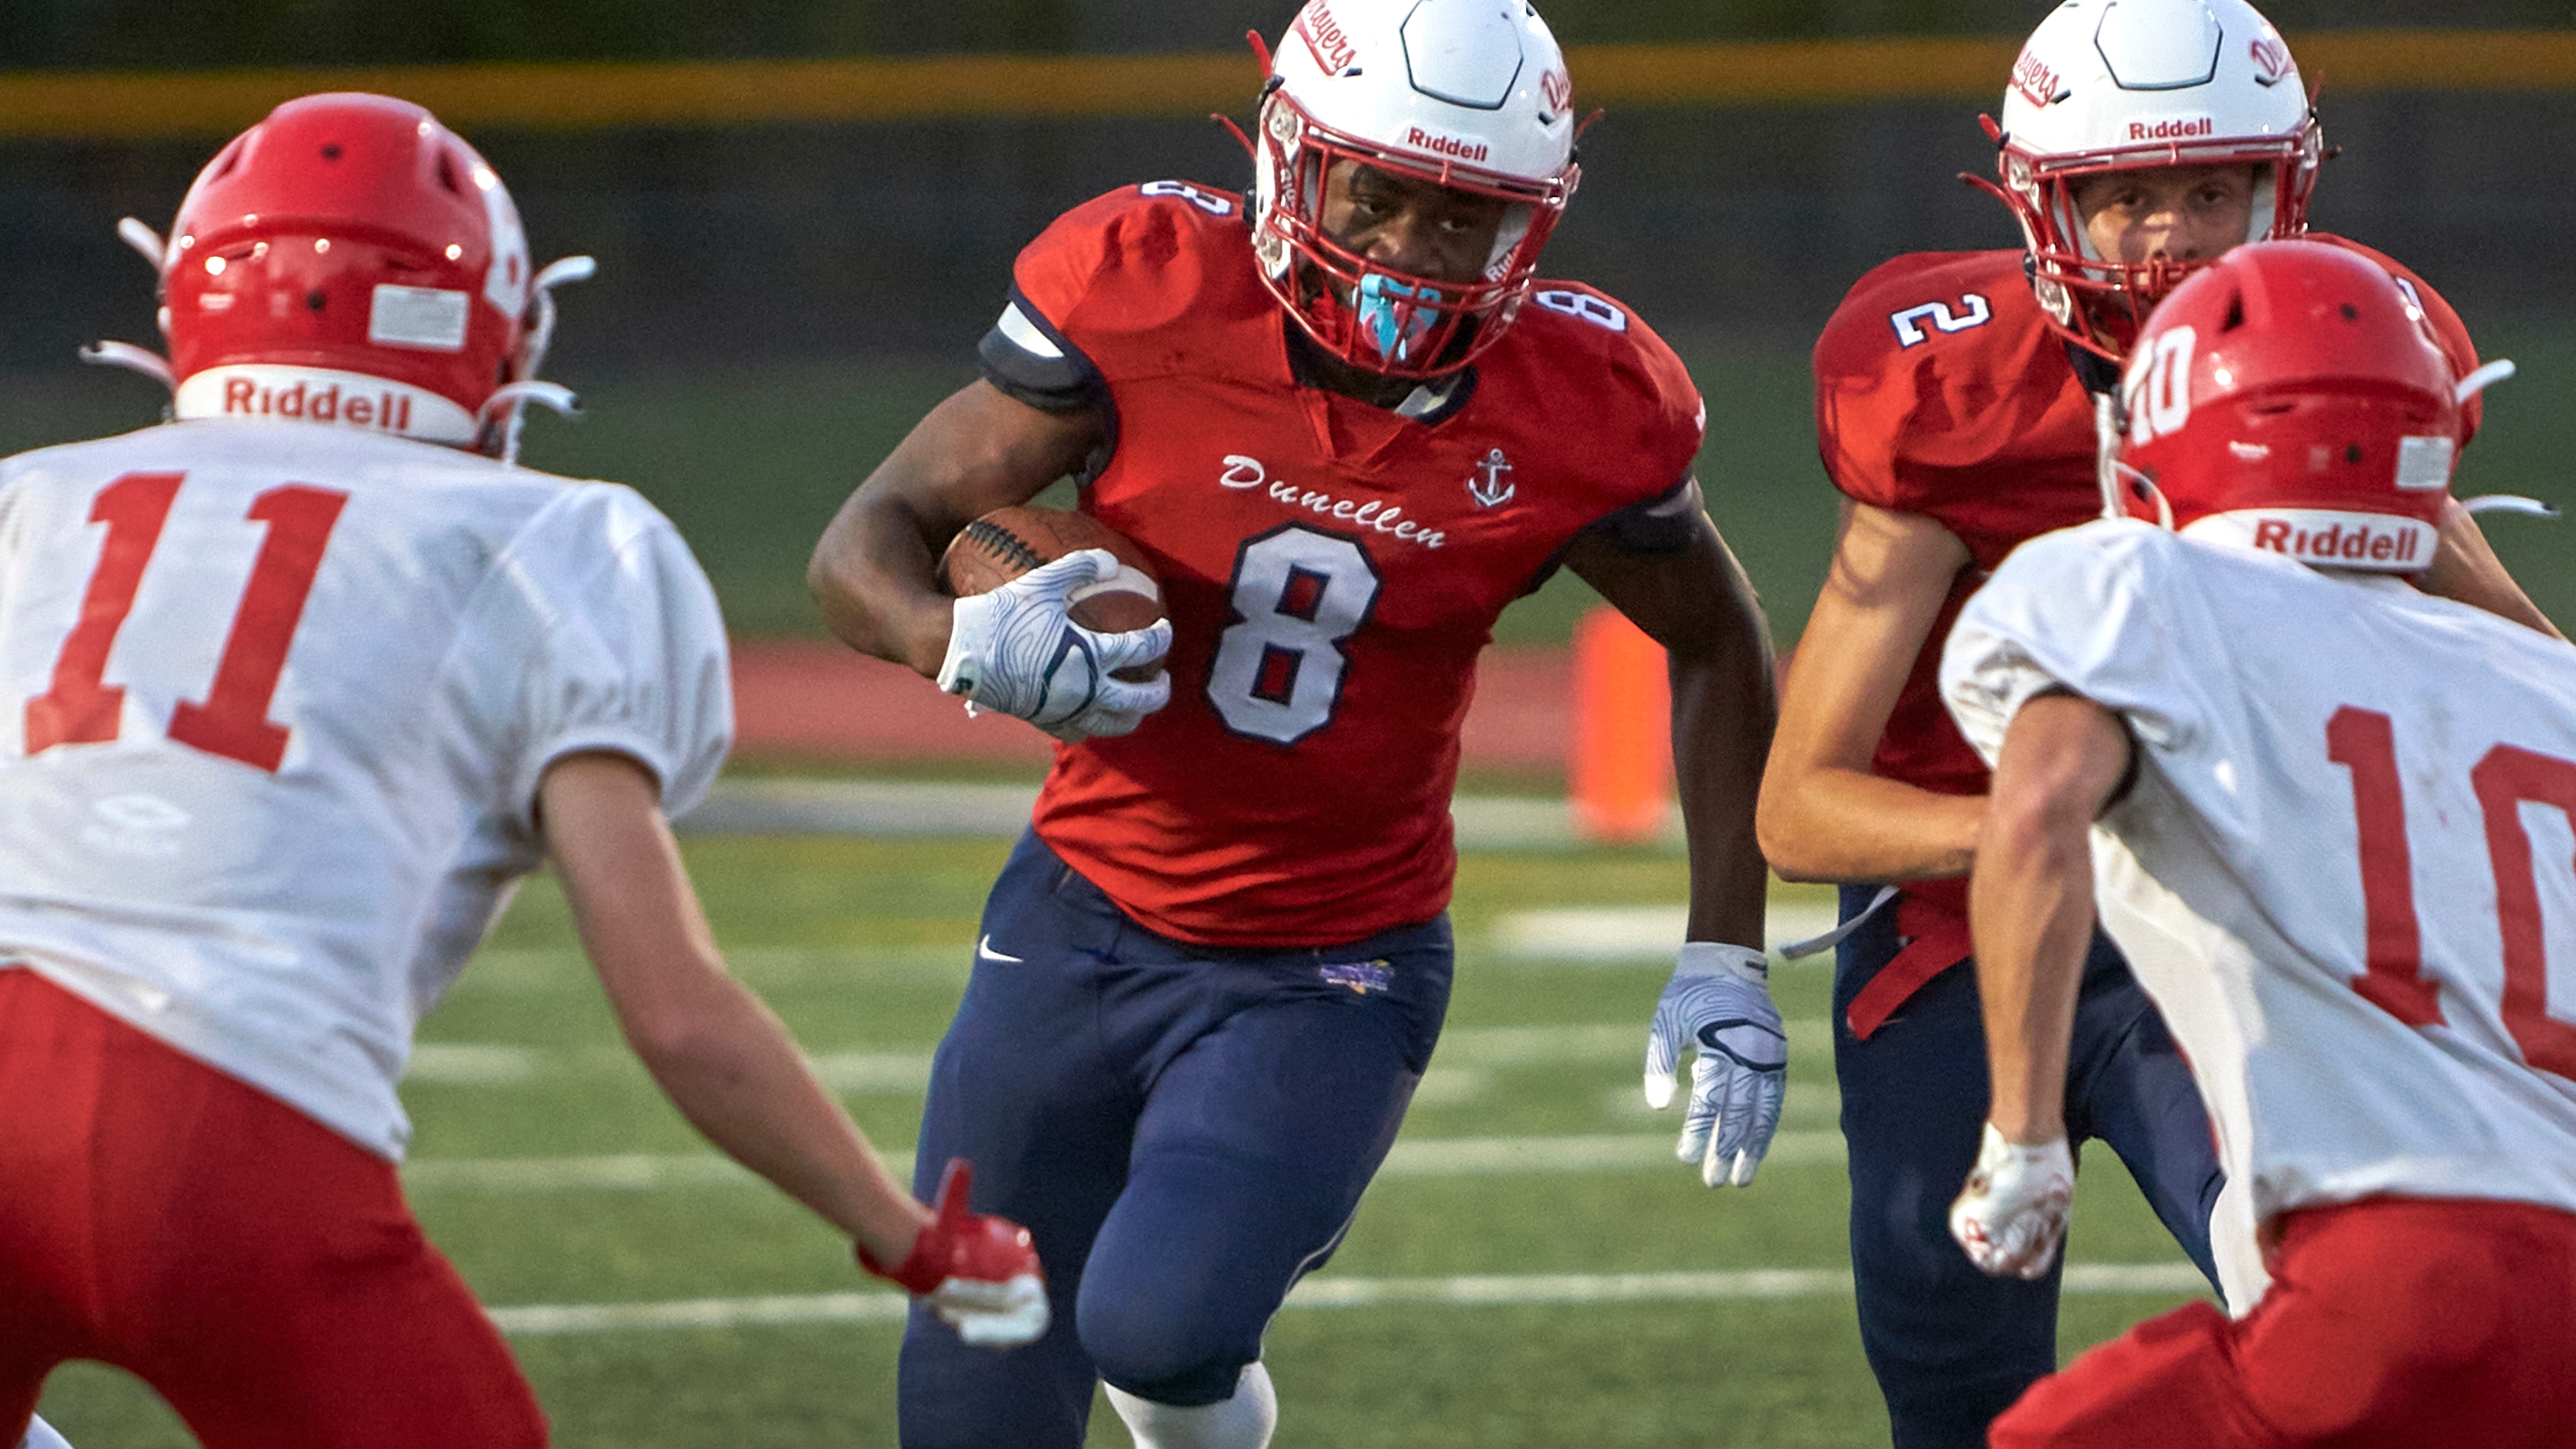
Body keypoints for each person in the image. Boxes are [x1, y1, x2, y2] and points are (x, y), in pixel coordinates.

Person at [0, 92, 1042, 1449]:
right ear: (485, 324)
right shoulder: (551, 542)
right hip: (228, 1149)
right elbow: (676, 1015)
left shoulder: (31, 497)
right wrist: (910, 1239)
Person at [805, 1, 1780, 1443]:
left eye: (1461, 219)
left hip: (1332, 962)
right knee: (973, 1375)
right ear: (1284, 159)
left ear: (1533, 224)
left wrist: (1725, 950)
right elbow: (865, 539)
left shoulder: (1584, 398)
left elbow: (1720, 646)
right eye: (1373, 196)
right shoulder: (1147, 295)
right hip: (1077, 914)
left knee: (1161, 1328)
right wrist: (953, 640)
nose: (1401, 251)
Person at [1754, 1, 2557, 1443]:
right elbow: (1800, 806)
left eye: (2210, 191)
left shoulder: (2332, 352)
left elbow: (2525, 676)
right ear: (2043, 204)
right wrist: (2072, 838)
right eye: (2126, 198)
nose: (2174, 240)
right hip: (1954, 927)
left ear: (2286, 190)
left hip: (2242, 927)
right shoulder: (1947, 390)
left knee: (2313, 1305)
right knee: (1946, 1369)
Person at [1943, 237, 2576, 1447]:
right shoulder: (2536, 681)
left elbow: (2038, 804)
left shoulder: (2141, 583)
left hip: (2408, 1272)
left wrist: (2023, 1138)